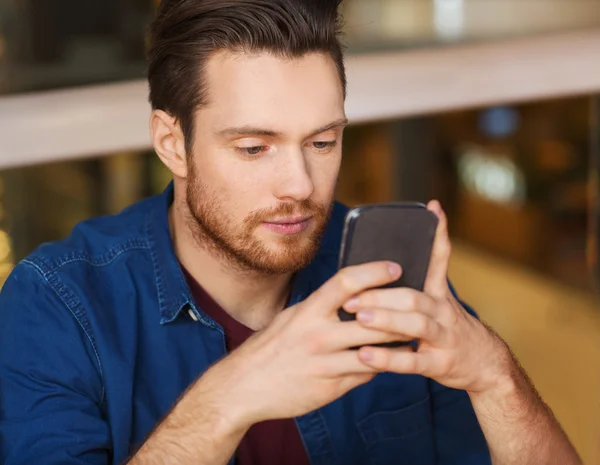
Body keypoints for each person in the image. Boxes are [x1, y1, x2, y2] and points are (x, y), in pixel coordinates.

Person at [0, 1, 582, 464]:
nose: (300, 185)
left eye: (322, 142)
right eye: (254, 148)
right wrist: (227, 400)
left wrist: (495, 377)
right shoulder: (55, 304)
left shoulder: (384, 277)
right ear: (172, 143)